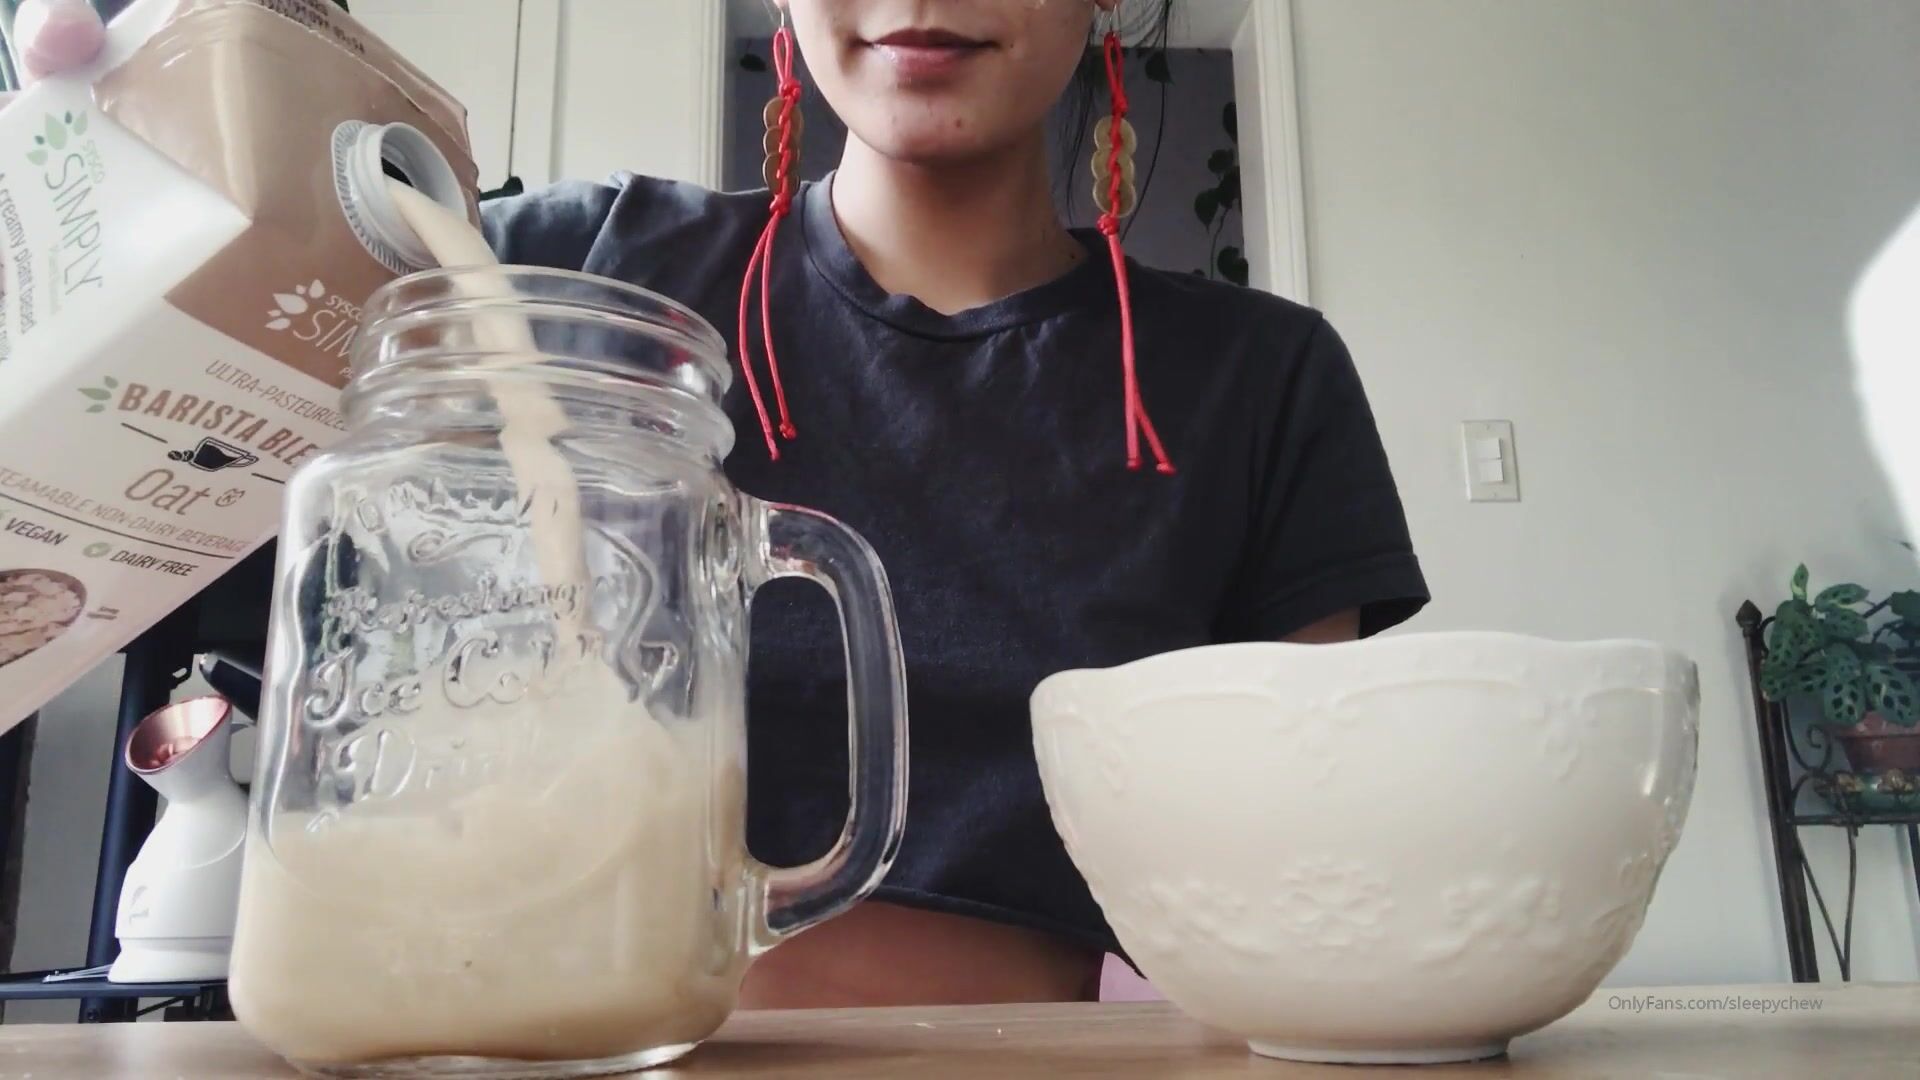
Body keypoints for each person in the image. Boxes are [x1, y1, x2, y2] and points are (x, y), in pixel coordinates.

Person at [6, 0, 1428, 1007]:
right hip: (512, 1035)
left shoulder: (1259, 376)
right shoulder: (565, 272)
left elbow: (1296, 862)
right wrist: (101, 218)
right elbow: (154, 482)